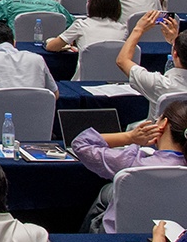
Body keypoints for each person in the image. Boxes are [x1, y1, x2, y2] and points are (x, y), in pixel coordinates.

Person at [73, 100, 187, 233]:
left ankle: (85, 240)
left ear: (163, 124)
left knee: (109, 193)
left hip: (119, 238)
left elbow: (80, 144)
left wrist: (130, 137)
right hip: (174, 235)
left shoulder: (131, 163)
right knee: (108, 190)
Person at [115, 10, 187, 119]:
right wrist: (175, 42)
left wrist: (138, 29)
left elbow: (122, 60)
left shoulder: (159, 84)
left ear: (175, 54)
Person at [44, 0, 127, 78]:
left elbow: (51, 47)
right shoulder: (124, 29)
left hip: (84, 80)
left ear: (90, 5)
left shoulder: (80, 25)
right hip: (117, 80)